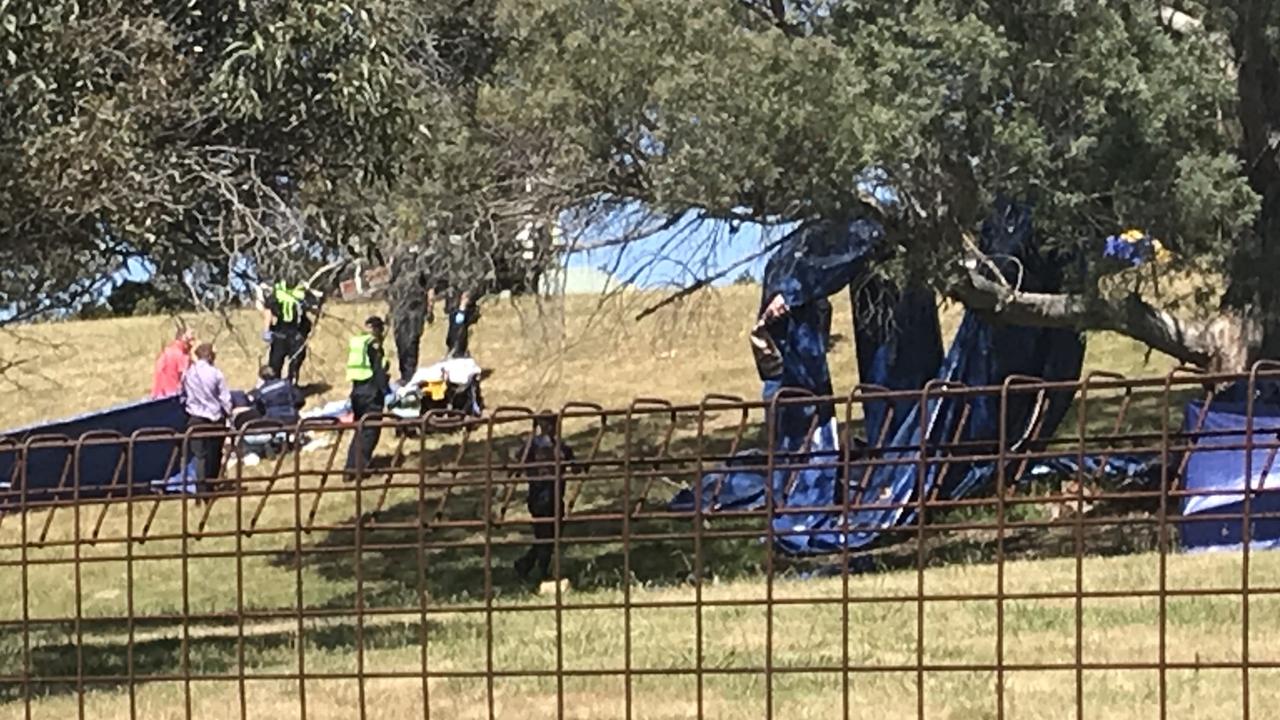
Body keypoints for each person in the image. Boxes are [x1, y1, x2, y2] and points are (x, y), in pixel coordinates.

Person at [514, 412, 577, 583]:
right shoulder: (533, 445)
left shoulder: (560, 446)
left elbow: (574, 464)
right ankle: (540, 570)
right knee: (545, 534)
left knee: (552, 534)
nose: (550, 427)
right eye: (547, 423)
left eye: (553, 423)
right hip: (540, 495)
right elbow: (519, 462)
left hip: (556, 494)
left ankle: (527, 564)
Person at [344, 316, 392, 481]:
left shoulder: (358, 343)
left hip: (357, 393)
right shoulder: (373, 345)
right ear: (378, 329)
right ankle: (360, 469)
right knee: (370, 431)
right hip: (371, 393)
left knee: (359, 430)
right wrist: (387, 392)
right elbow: (378, 371)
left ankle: (350, 468)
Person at [180, 343, 232, 492]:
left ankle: (201, 489)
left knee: (200, 456)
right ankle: (212, 484)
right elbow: (225, 398)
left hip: (195, 418)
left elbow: (182, 394)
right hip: (215, 419)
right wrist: (229, 413)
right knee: (215, 453)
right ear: (209, 356)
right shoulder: (216, 373)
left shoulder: (188, 373)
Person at [388, 246, 438, 382]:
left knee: (411, 342)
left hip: (415, 310)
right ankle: (404, 374)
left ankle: (410, 376)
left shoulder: (421, 265)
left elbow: (430, 288)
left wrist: (430, 309)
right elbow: (390, 286)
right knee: (400, 342)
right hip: (399, 310)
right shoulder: (396, 267)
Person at [262, 281, 312, 384]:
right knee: (275, 365)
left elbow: (314, 308)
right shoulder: (278, 290)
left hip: (297, 335)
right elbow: (268, 309)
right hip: (280, 333)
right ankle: (273, 388)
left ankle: (291, 388)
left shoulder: (302, 291)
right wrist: (266, 330)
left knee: (295, 364)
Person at [151, 328, 196, 398]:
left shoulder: (165, 352)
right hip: (173, 397)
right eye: (191, 339)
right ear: (184, 338)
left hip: (158, 396)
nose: (193, 343)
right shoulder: (182, 355)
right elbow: (190, 379)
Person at [444, 289, 479, 359]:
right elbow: (458, 321)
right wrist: (462, 306)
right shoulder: (456, 311)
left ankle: (456, 352)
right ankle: (454, 352)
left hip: (458, 344)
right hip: (455, 344)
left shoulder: (465, 311)